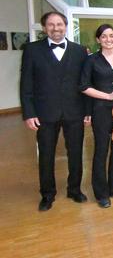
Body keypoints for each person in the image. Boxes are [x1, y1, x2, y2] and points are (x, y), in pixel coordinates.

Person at [20, 11, 89, 211]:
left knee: (75, 153)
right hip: (44, 113)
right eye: (51, 25)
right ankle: (47, 194)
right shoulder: (32, 50)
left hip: (74, 112)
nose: (56, 28)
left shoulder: (79, 51)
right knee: (46, 155)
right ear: (44, 28)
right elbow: (26, 85)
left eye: (59, 24)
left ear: (66, 26)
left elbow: (84, 84)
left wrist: (87, 110)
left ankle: (74, 189)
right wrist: (29, 113)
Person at [81, 24, 113, 208]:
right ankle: (101, 193)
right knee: (102, 150)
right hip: (101, 110)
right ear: (98, 39)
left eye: (111, 36)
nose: (108, 39)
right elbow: (84, 87)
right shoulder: (91, 60)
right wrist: (108, 95)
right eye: (104, 36)